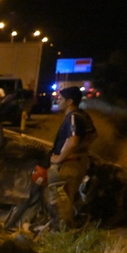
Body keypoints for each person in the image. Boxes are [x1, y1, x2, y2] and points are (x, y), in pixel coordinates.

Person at [47, 86, 96, 228]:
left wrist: (60, 158)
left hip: (67, 166)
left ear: (69, 102)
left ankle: (61, 235)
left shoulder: (73, 117)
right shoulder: (83, 115)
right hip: (77, 164)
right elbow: (93, 135)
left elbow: (73, 141)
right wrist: (81, 151)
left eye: (61, 99)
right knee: (68, 200)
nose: (58, 100)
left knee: (60, 203)